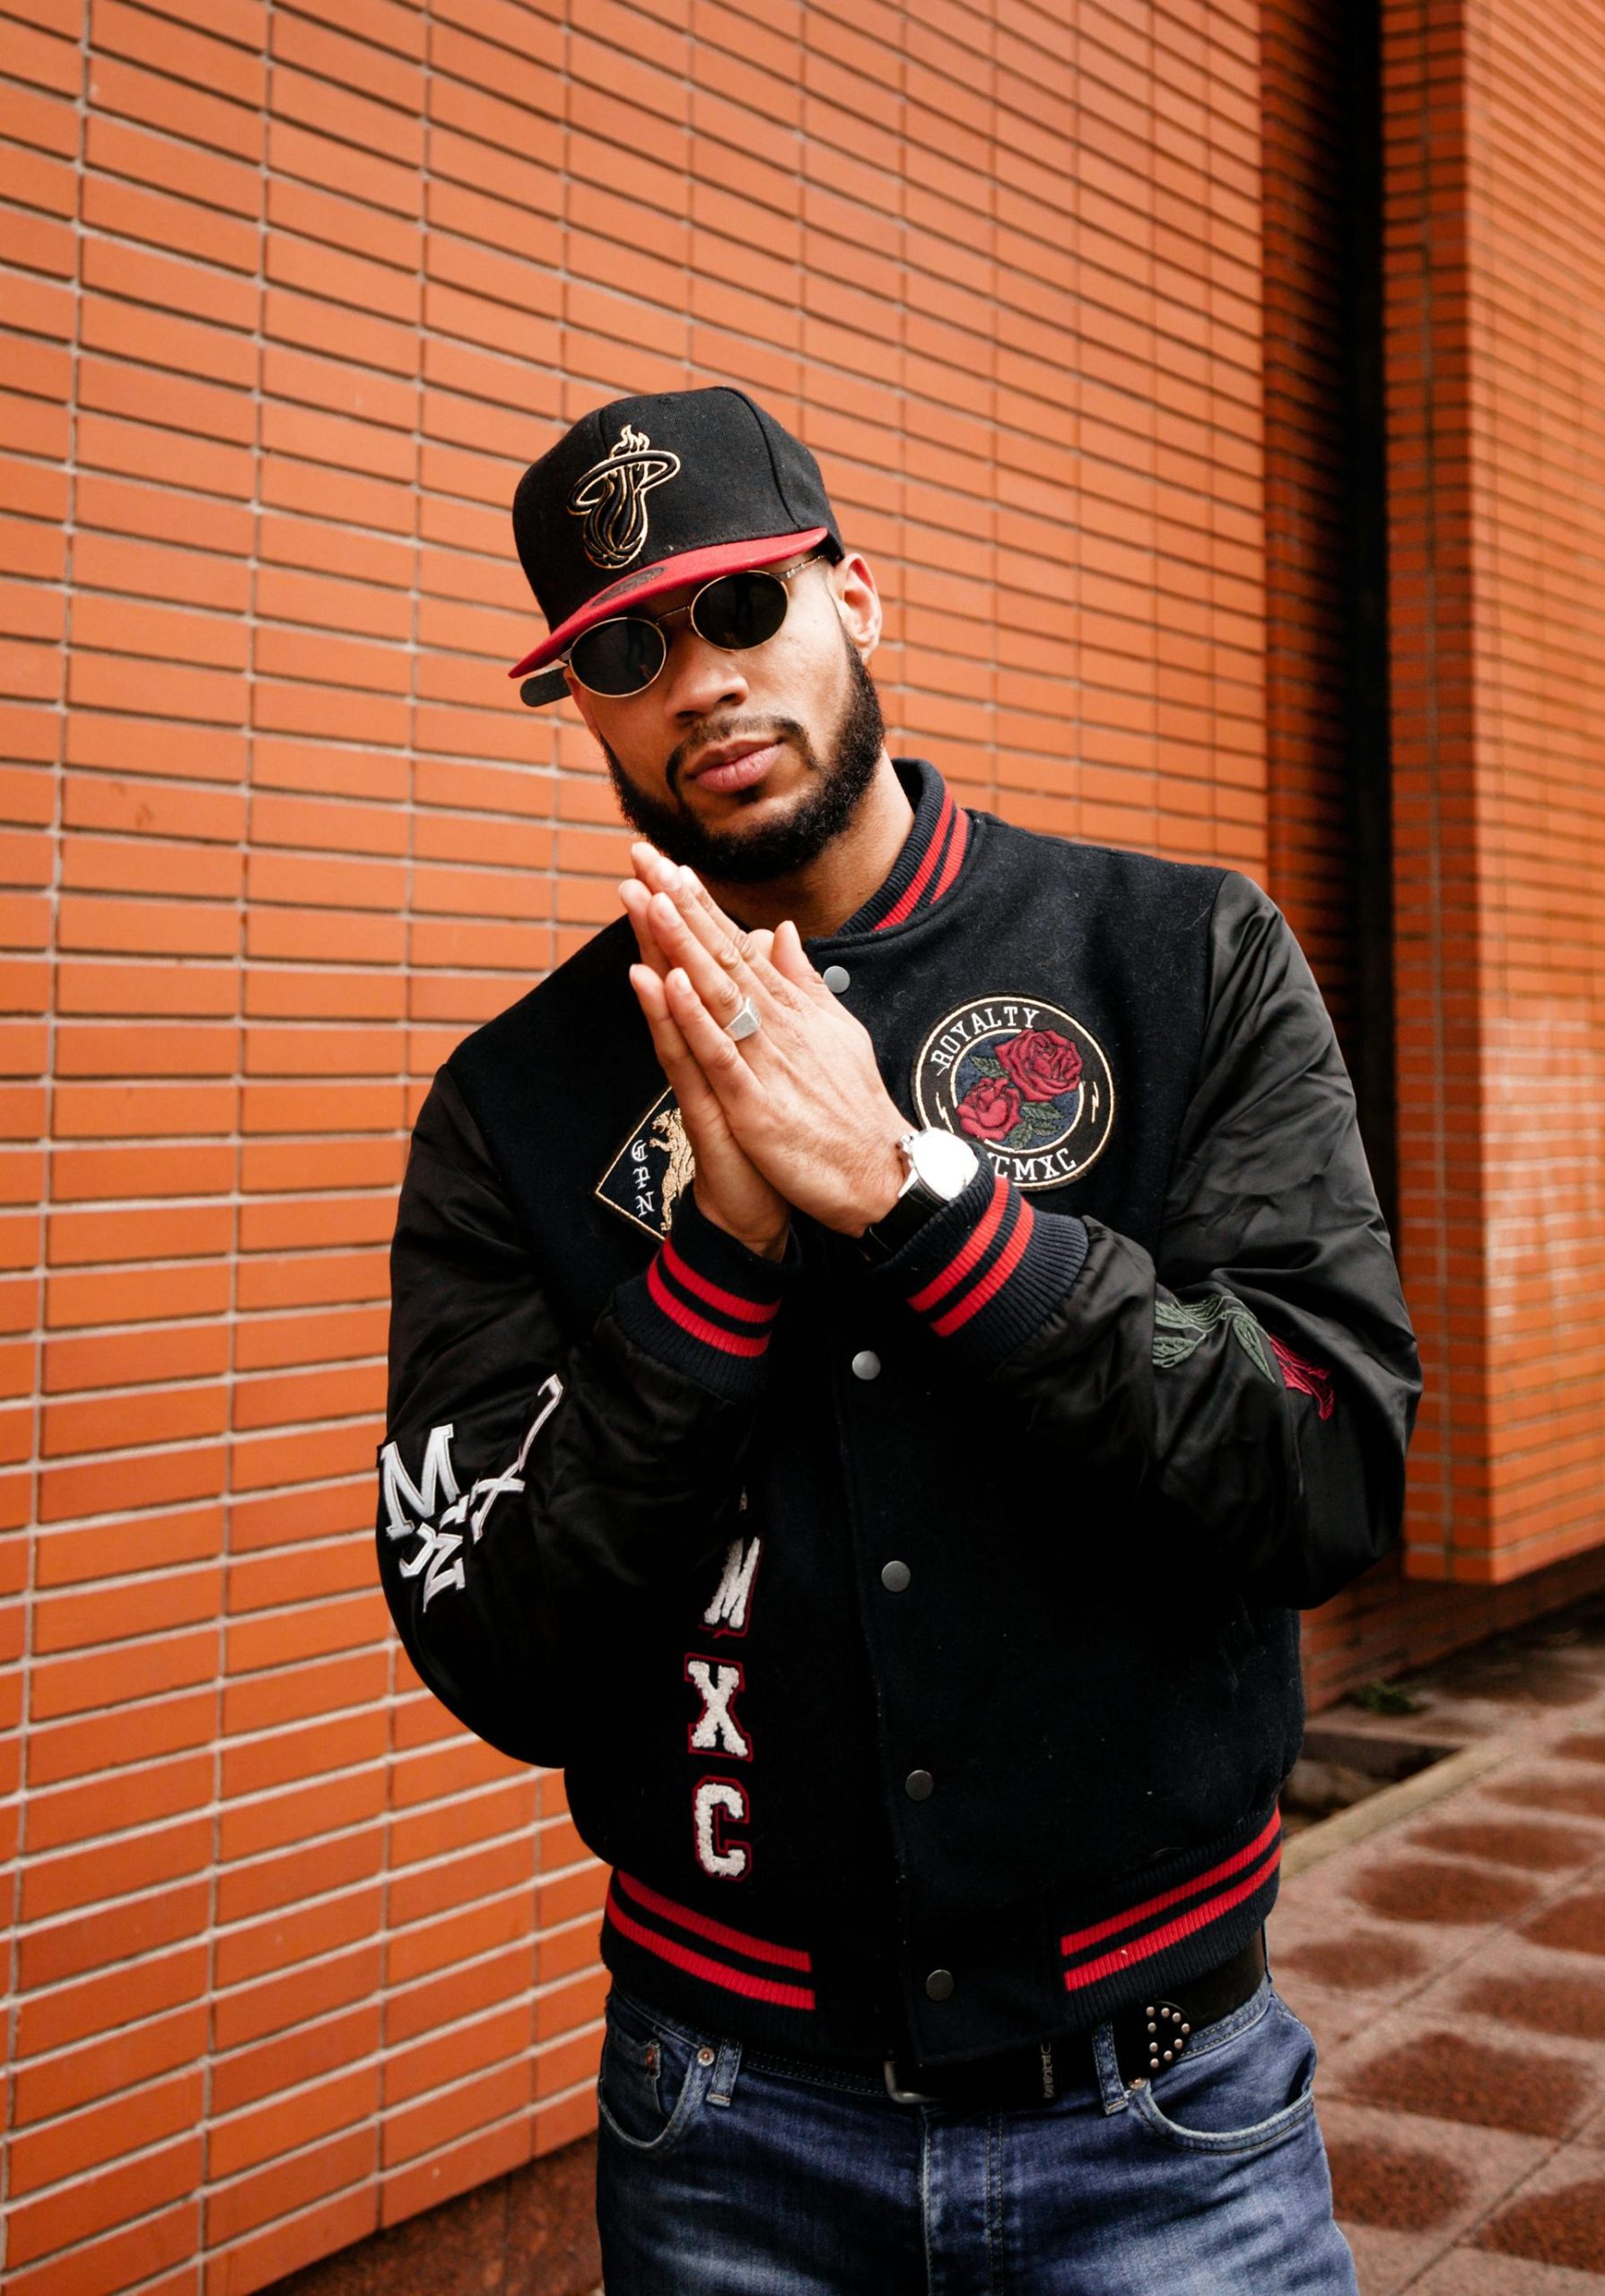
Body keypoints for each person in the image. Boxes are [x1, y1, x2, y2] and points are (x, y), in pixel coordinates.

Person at [377, 384, 1420, 2292]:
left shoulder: (1178, 957)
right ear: (582, 705)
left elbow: (1329, 1466)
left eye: (741, 609)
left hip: (1163, 2117)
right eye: (623, 648)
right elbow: (493, 1631)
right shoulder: (514, 1104)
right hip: (726, 2130)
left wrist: (922, 1205)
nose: (695, 680)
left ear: (859, 596)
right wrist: (717, 1259)